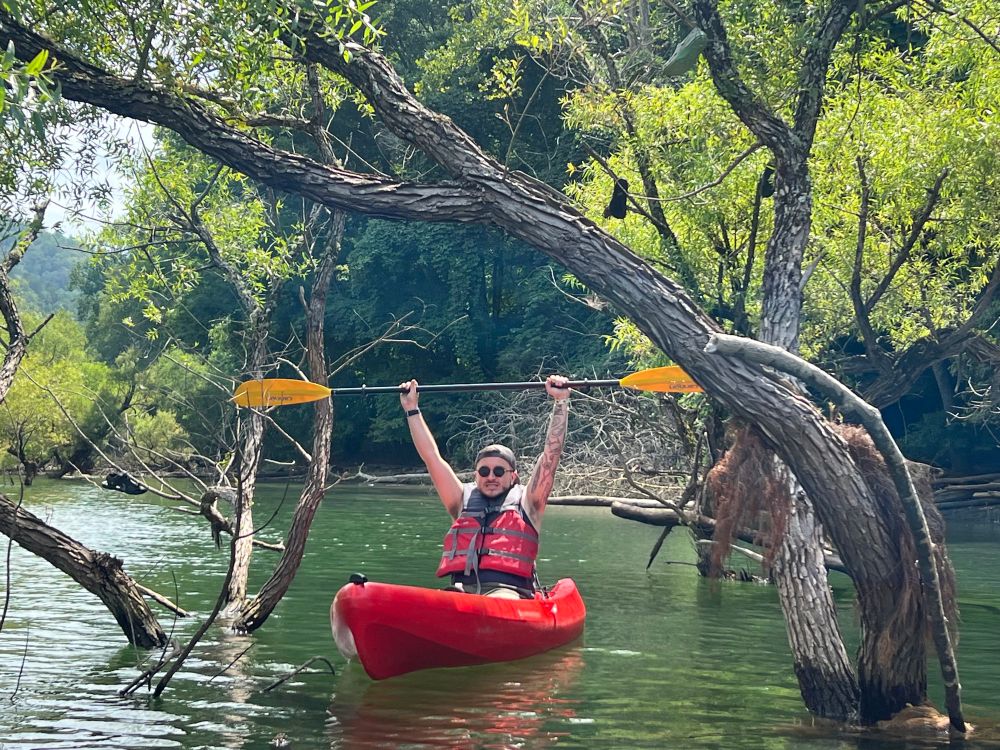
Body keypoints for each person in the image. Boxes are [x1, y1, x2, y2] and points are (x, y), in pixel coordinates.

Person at [400, 374, 570, 598]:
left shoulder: (529, 503)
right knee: (451, 596)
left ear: (513, 476)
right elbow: (431, 457)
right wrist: (411, 408)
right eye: (484, 471)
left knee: (499, 598)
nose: (491, 476)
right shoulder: (461, 500)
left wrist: (561, 402)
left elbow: (551, 455)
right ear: (476, 475)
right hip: (461, 591)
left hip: (508, 594)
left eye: (499, 471)